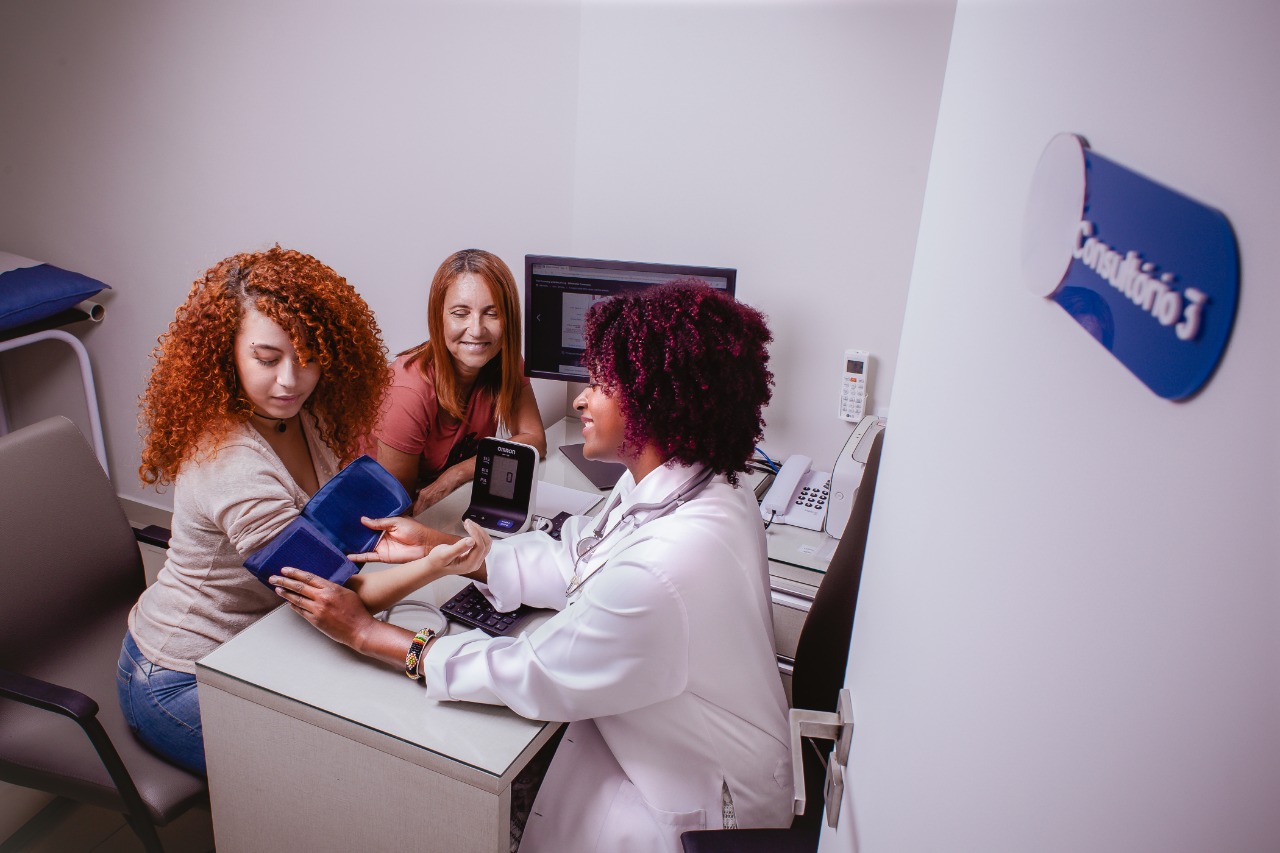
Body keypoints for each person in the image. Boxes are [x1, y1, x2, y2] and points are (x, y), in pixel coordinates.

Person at [272, 280, 794, 852]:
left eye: (600, 385)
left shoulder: (663, 569)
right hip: (668, 734)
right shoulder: (694, 481)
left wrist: (369, 635)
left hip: (698, 800)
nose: (580, 400)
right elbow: (576, 556)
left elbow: (531, 672)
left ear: (653, 402)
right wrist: (443, 549)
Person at [117, 246, 389, 775]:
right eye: (267, 359)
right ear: (228, 355)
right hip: (179, 677)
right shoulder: (230, 460)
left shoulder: (302, 417)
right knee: (328, 776)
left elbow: (338, 543)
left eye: (308, 357)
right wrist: (447, 560)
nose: (290, 380)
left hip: (265, 644)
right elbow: (333, 593)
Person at [374, 248, 546, 514]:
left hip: (446, 503)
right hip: (377, 519)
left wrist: (457, 474)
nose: (476, 330)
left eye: (492, 313)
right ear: (438, 317)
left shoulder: (505, 360)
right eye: (460, 313)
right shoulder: (408, 391)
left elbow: (535, 441)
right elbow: (396, 511)